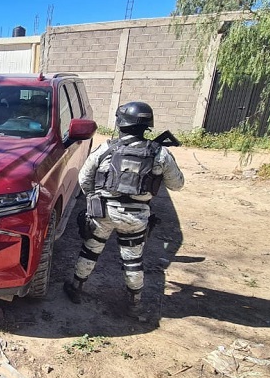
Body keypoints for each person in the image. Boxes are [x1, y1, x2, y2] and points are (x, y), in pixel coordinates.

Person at [63, 101, 184, 319]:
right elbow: (177, 184)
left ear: (120, 124)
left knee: (91, 250)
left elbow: (84, 179)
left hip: (104, 212)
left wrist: (94, 198)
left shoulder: (106, 148)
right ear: (147, 126)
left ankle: (76, 288)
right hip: (137, 216)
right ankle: (134, 301)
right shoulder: (160, 153)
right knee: (133, 259)